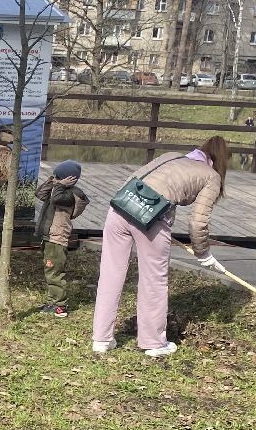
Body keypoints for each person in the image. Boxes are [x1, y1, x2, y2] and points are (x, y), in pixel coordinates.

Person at [91, 136, 231, 358]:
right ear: (222, 160)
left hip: (119, 209)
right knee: (153, 280)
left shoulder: (170, 156)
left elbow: (139, 179)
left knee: (110, 275)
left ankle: (101, 339)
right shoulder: (211, 176)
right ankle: (153, 343)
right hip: (150, 220)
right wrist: (203, 253)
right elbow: (198, 222)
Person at [33, 160, 89, 318]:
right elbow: (40, 194)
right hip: (50, 237)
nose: (56, 179)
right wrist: (52, 181)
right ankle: (52, 301)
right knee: (50, 270)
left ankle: (59, 306)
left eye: (59, 177)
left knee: (55, 272)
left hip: (57, 238)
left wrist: (59, 185)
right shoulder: (58, 189)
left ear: (69, 179)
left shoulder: (70, 195)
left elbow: (56, 199)